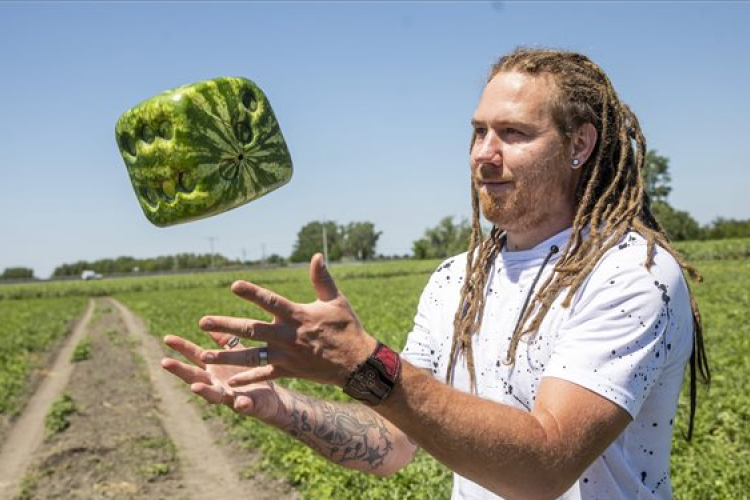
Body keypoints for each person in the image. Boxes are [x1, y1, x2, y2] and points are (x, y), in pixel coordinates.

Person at [161, 48, 709, 500]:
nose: (483, 155)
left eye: (513, 133)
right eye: (478, 132)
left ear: (580, 144)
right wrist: (279, 407)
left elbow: (544, 467)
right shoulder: (458, 280)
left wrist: (363, 364)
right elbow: (394, 441)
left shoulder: (631, 275)